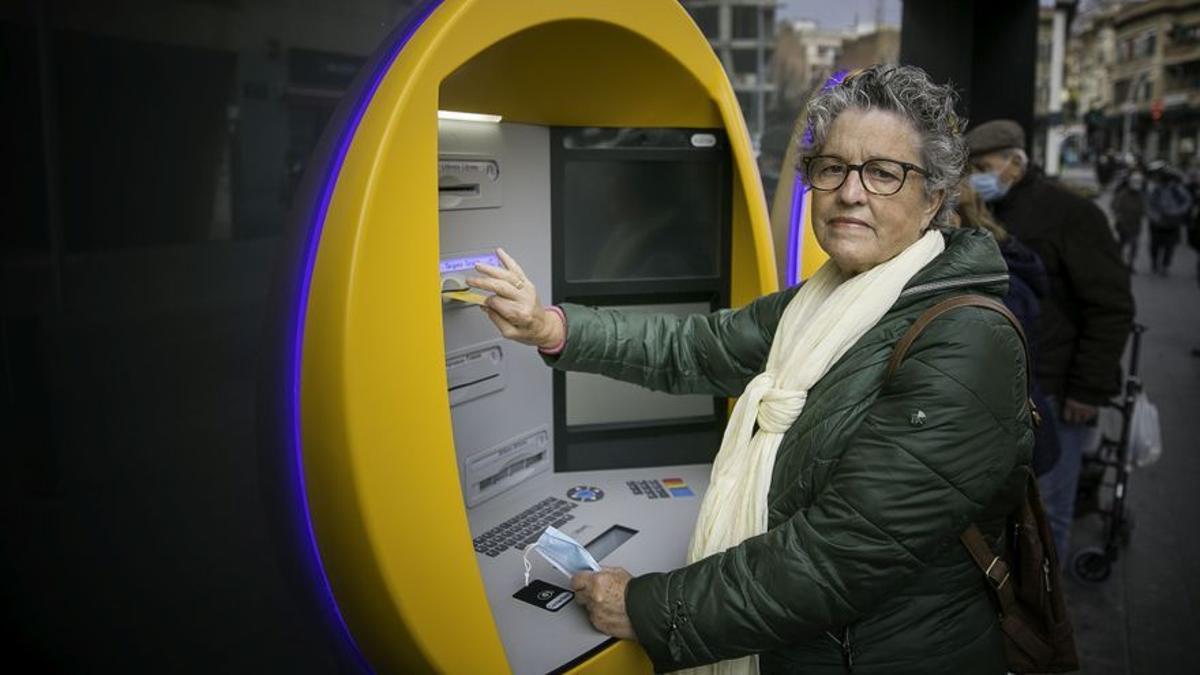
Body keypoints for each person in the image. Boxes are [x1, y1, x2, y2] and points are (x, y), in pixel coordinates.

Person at [470, 66, 1033, 673]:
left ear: (932, 201)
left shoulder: (967, 340)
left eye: (883, 173)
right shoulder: (820, 303)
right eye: (832, 168)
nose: (850, 192)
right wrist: (552, 327)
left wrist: (650, 608)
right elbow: (696, 347)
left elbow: (838, 555)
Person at [965, 119, 1134, 561]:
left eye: (984, 164)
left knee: (1050, 513)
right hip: (1016, 388)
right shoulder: (987, 208)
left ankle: (1051, 618)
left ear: (1015, 163)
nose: (977, 174)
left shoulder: (1073, 214)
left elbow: (1110, 306)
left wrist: (1087, 389)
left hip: (1059, 389)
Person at [950, 181, 1061, 477]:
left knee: (1040, 520)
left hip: (1011, 454)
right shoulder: (1000, 256)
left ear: (952, 219)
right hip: (1021, 439)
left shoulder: (993, 287)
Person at [1145, 161, 1193, 276]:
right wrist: (1154, 216)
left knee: (1169, 246)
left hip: (1172, 221)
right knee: (1155, 245)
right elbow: (1149, 204)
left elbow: (1187, 201)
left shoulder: (1176, 188)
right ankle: (1154, 263)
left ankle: (1165, 265)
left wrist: (1177, 212)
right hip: (1157, 221)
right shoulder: (1155, 189)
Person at [1112, 171, 1147, 270]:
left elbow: (1144, 209)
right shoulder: (1122, 194)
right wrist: (1120, 218)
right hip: (1123, 224)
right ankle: (1117, 261)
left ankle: (1130, 263)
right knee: (1122, 243)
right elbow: (1115, 207)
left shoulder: (1141, 195)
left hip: (1135, 224)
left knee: (1134, 245)